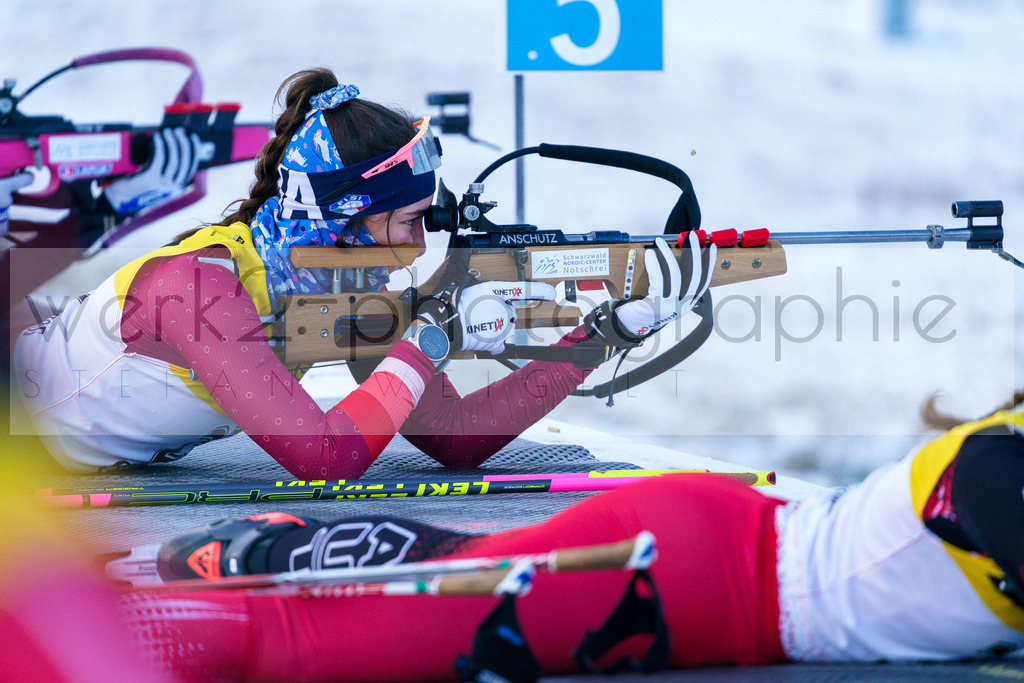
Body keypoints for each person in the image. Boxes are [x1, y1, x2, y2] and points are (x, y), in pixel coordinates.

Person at [11, 67, 715, 478]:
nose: (419, 243)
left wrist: (605, 333)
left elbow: (454, 437)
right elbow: (326, 457)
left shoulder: (341, 294)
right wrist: (428, 336)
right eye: (408, 221)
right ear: (342, 218)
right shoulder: (201, 286)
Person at [116, 392, 1024, 680]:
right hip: (689, 571)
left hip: (720, 560)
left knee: (463, 573)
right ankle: (93, 630)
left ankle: (270, 541)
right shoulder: (993, 466)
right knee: (305, 647)